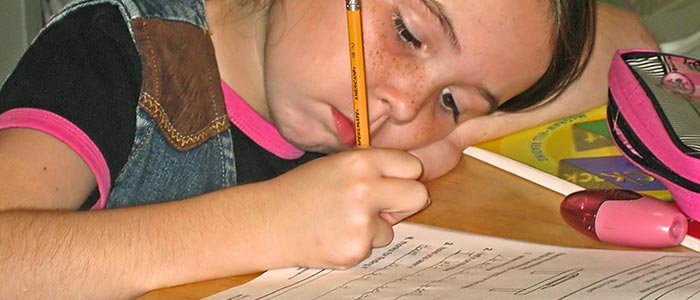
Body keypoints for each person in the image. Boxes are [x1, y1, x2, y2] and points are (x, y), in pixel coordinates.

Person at [0, 0, 656, 299]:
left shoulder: (389, 119)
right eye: (408, 33)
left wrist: (449, 134)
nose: (405, 103)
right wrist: (261, 225)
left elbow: (624, 42)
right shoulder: (118, 50)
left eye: (452, 97)